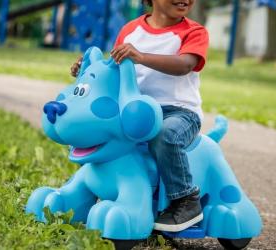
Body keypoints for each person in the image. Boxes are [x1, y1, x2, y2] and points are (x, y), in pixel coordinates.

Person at [70, 0, 208, 232]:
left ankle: (185, 200)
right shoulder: (130, 30)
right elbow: (114, 68)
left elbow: (185, 64)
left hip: (178, 111)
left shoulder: (194, 32)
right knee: (98, 134)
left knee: (166, 135)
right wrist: (86, 69)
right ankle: (88, 193)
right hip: (134, 110)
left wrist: (141, 56)